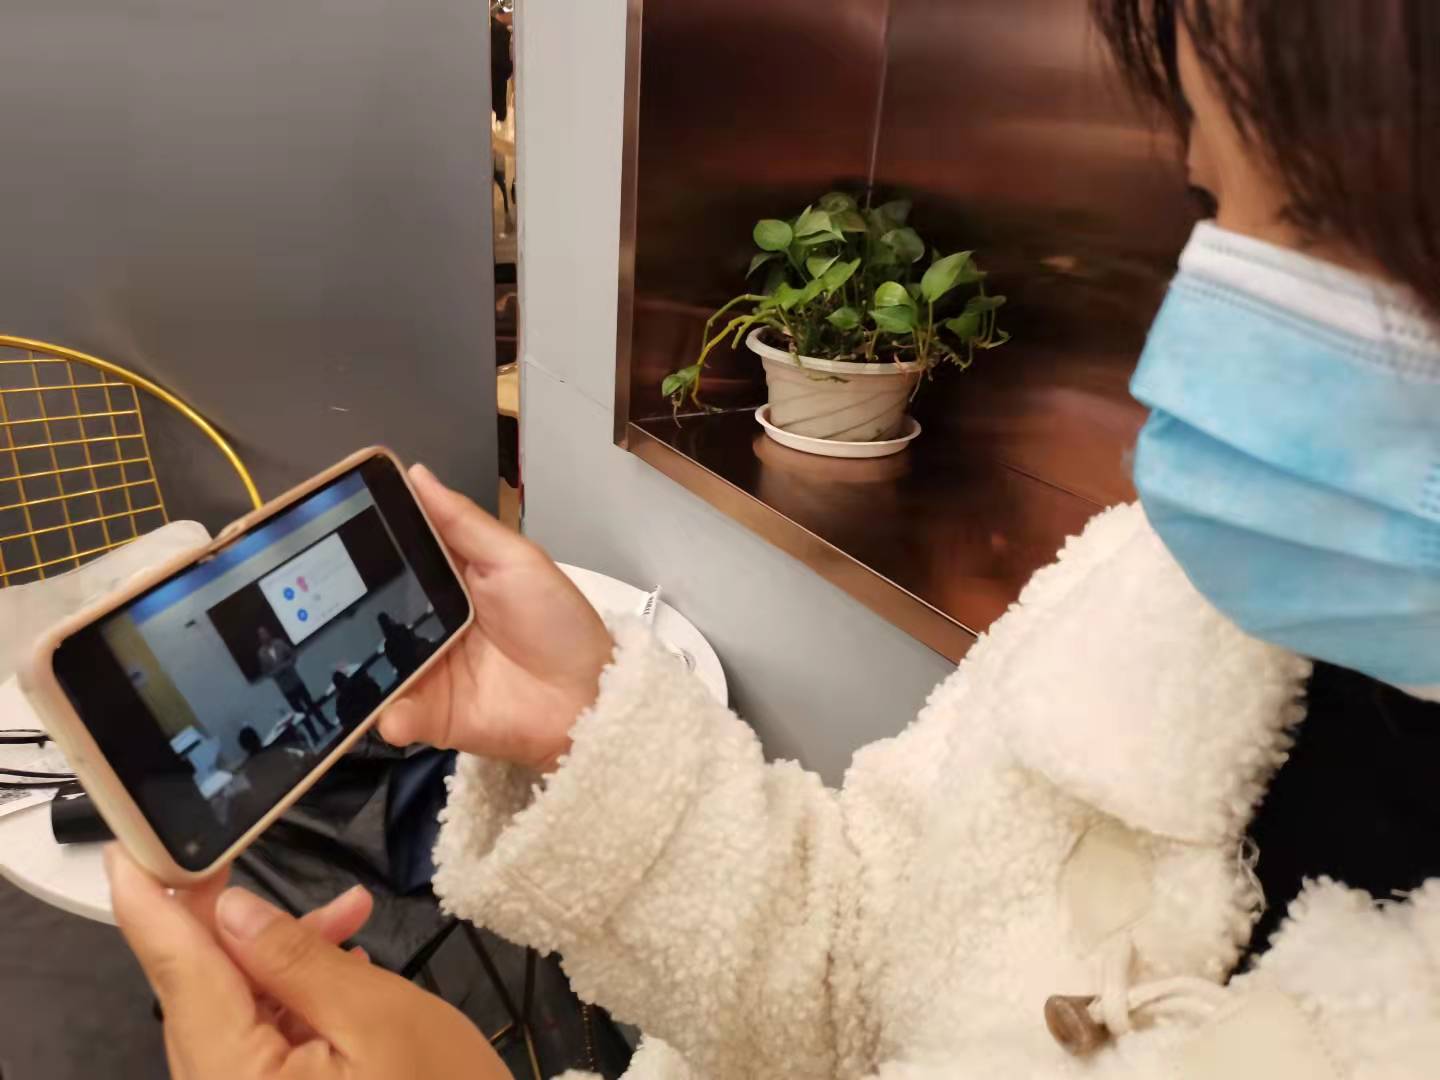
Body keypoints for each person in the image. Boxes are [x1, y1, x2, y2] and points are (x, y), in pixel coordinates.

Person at [107, 3, 1440, 1077]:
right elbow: (865, 964)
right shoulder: (1159, 592)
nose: (1189, 352)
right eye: (1214, 207)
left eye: (1326, 224)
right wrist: (593, 738)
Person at [256, 626, 329, 744]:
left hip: (295, 680)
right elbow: (266, 672)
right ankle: (314, 735)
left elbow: (293, 655)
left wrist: (287, 665)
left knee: (311, 705)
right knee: (300, 713)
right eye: (261, 635)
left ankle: (326, 724)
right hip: (285, 688)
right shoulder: (261, 654)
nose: (264, 636)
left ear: (269, 633)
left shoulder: (279, 643)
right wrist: (277, 671)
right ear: (259, 638)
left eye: (265, 633)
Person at [377, 612, 431, 684]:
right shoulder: (401, 629)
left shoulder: (388, 645)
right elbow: (414, 640)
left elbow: (394, 663)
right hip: (416, 659)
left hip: (407, 670)